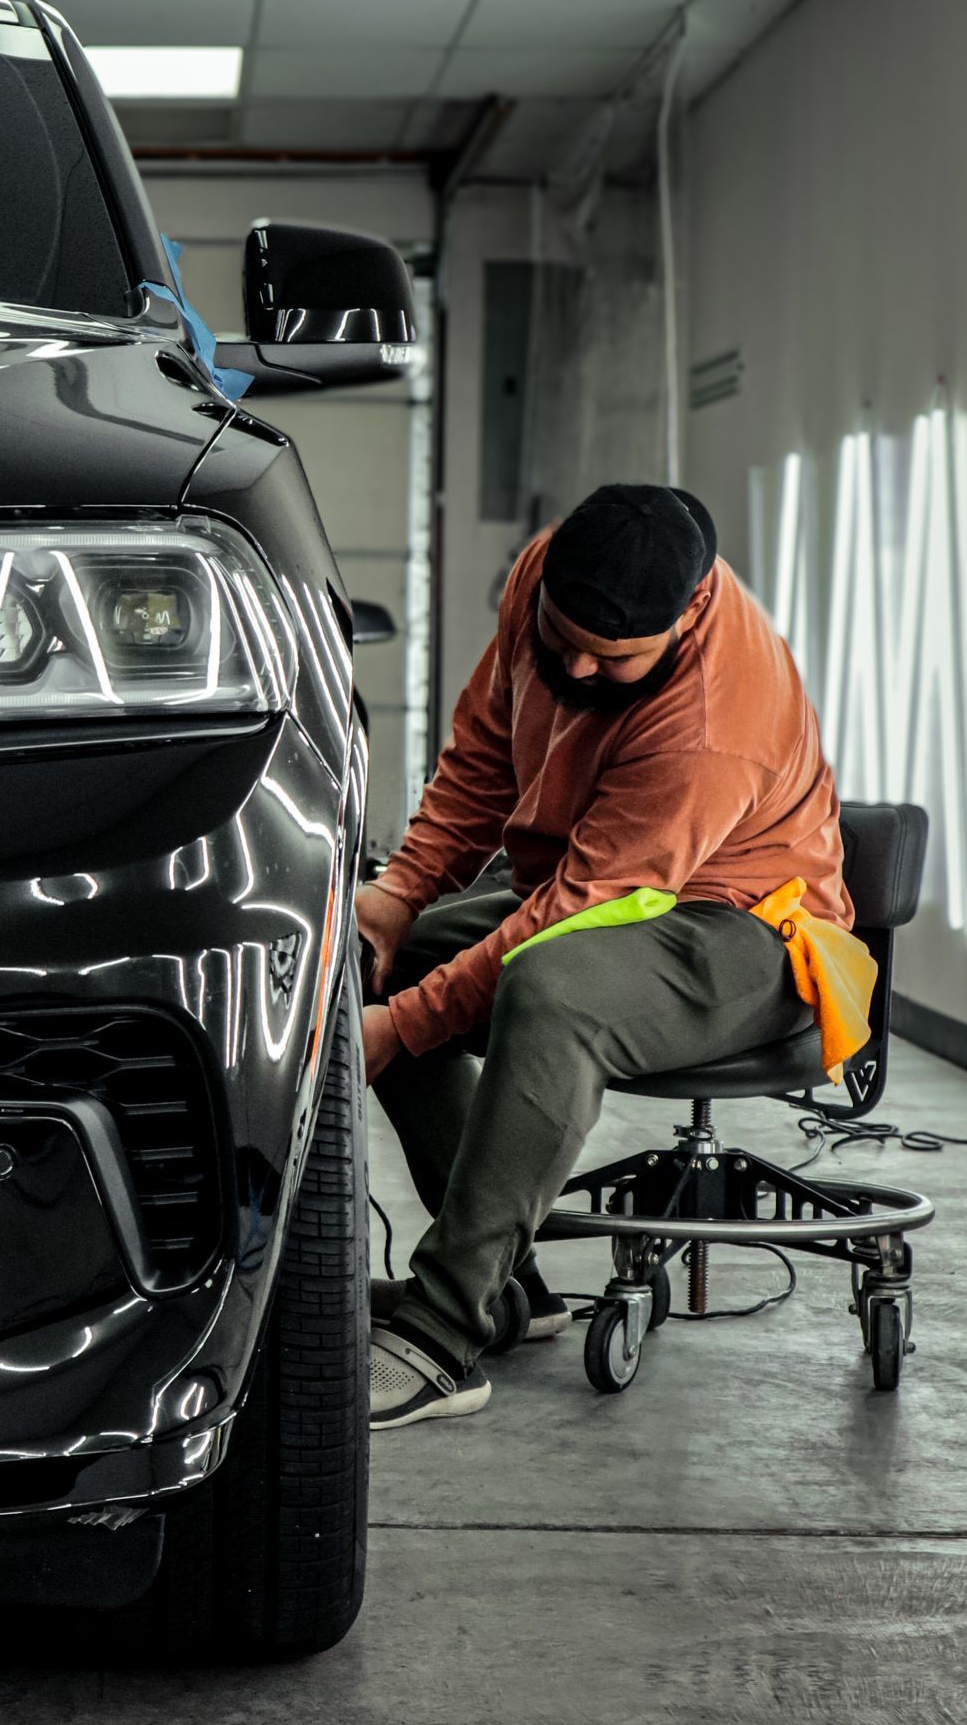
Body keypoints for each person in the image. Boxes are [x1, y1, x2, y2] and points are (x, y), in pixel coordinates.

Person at [357, 481, 847, 1431]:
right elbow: (485, 753)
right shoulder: (548, 576)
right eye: (563, 637)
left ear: (687, 614)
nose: (576, 664)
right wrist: (399, 892)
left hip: (753, 929)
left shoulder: (714, 727)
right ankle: (509, 1295)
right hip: (614, 887)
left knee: (553, 990)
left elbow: (579, 913)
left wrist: (401, 1032)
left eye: (612, 659)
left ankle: (440, 1335)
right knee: (402, 959)